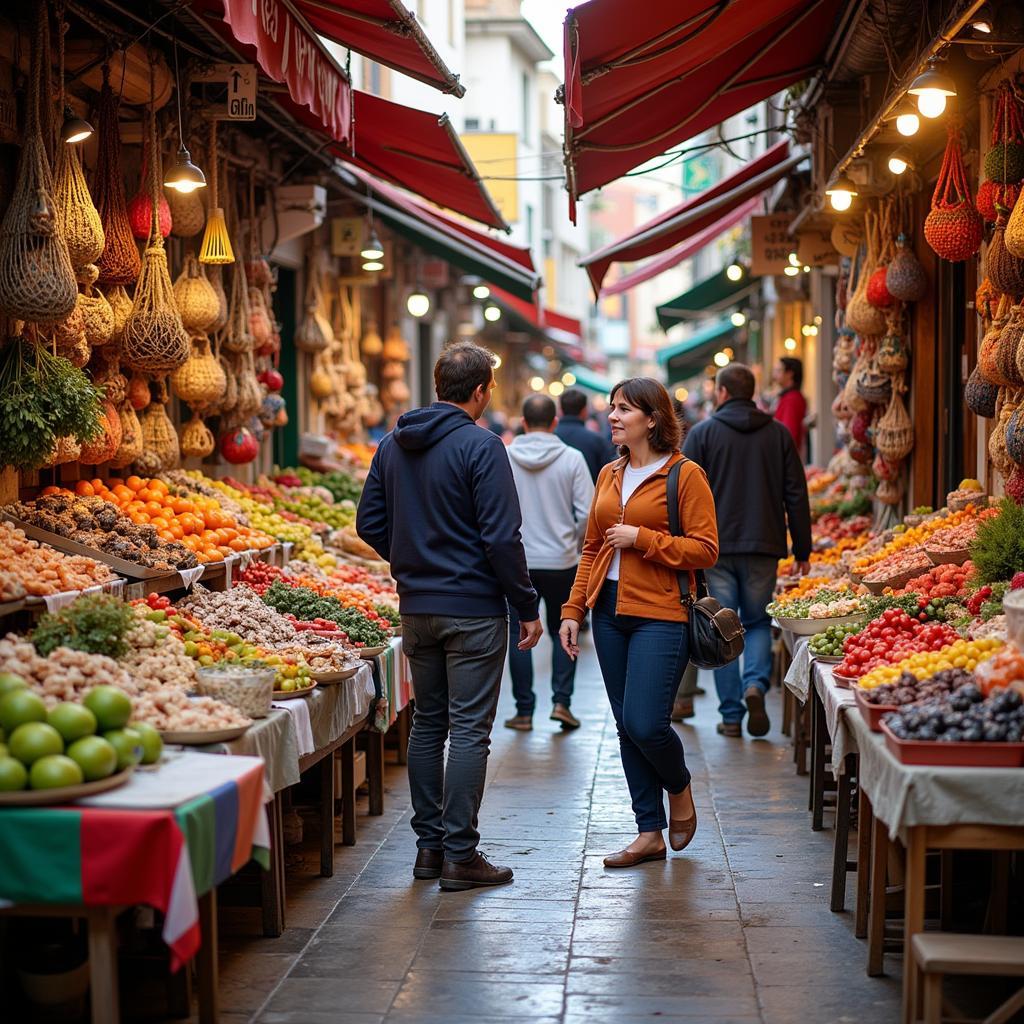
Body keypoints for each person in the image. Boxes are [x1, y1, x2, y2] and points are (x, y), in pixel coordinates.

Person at [356, 341, 543, 892]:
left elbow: (369, 521)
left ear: (439, 385)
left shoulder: (393, 444)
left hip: (417, 608)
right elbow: (501, 536)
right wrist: (526, 605)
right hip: (473, 611)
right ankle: (461, 854)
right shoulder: (483, 447)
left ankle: (428, 850)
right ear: (482, 391)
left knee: (428, 726)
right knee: (468, 731)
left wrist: (411, 558)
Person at [559, 377, 719, 869]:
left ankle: (681, 785)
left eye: (624, 409)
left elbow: (706, 547)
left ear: (652, 419)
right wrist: (573, 610)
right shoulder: (609, 474)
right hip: (608, 614)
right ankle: (648, 832)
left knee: (646, 723)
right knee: (626, 727)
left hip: (662, 614)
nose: (612, 416)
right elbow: (592, 548)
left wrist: (643, 539)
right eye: (612, 407)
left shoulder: (685, 475)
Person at [683, 363, 812, 738]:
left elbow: (682, 494)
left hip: (714, 548)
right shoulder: (778, 434)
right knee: (756, 621)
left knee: (722, 626)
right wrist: (802, 547)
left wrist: (684, 546)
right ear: (752, 392)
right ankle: (754, 684)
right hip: (764, 544)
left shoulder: (703, 434)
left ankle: (729, 714)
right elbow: (796, 493)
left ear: (722, 393)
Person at [504, 394, 594, 733]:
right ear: (554, 422)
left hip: (518, 561)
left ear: (523, 422)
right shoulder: (572, 459)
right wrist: (571, 540)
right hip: (562, 562)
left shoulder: (506, 456)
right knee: (563, 631)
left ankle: (524, 711)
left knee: (520, 634)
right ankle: (562, 703)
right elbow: (588, 512)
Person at [556, 388, 617, 483]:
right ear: (584, 411)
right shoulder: (597, 441)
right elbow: (606, 478)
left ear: (560, 410)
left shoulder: (551, 436)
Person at [773, 356, 808, 457]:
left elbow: (789, 432)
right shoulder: (789, 397)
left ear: (789, 374)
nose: (775, 375)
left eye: (779, 370)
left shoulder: (792, 399)